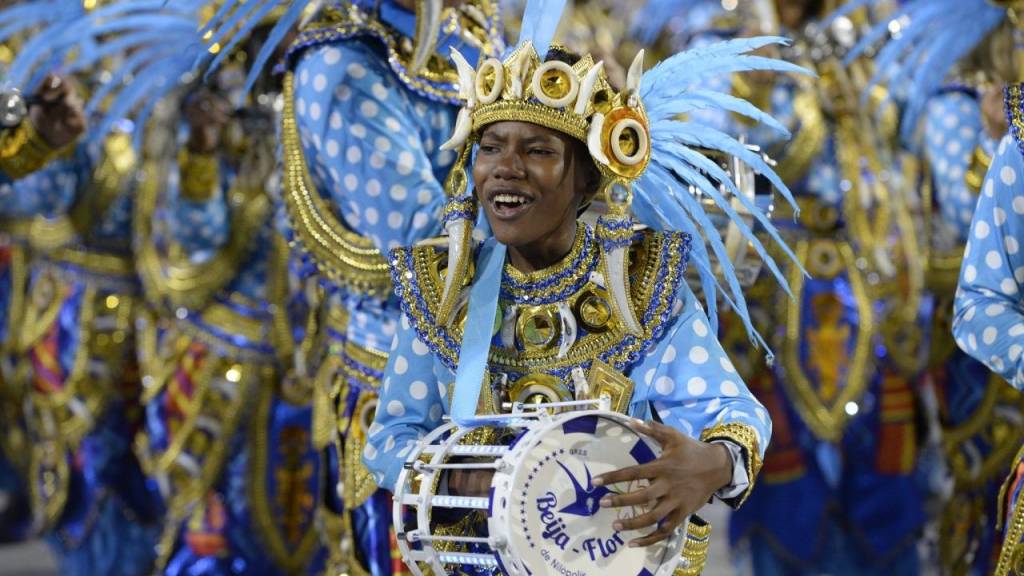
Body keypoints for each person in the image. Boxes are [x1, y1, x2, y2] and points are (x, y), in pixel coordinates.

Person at [364, 14, 812, 569]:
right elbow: (388, 438)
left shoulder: (641, 283)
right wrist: (466, 471)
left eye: (538, 151)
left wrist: (714, 463)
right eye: (491, 147)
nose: (506, 169)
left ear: (589, 179)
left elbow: (728, 409)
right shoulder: (442, 287)